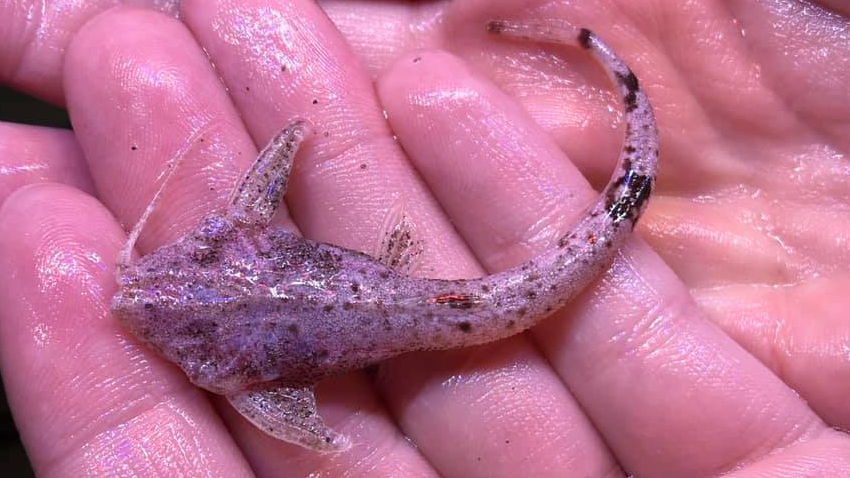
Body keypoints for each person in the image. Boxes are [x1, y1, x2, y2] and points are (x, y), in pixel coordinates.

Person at [0, 1, 848, 476]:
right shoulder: (234, 299)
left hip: (431, 307)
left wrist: (318, 437)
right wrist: (288, 137)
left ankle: (615, 83)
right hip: (427, 303)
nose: (136, 293)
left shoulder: (231, 372)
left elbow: (299, 423)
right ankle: (611, 80)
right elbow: (269, 175)